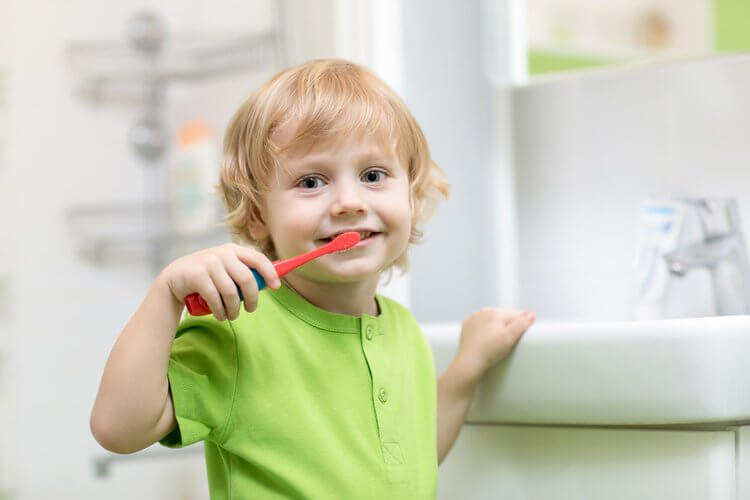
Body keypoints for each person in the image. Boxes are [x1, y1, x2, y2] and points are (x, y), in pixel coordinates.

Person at [90, 58, 535, 499]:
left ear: (411, 196)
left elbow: (416, 461)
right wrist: (166, 295)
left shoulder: (402, 330)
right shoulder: (237, 333)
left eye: (373, 175)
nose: (348, 202)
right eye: (310, 182)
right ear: (259, 214)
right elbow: (118, 429)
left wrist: (467, 368)